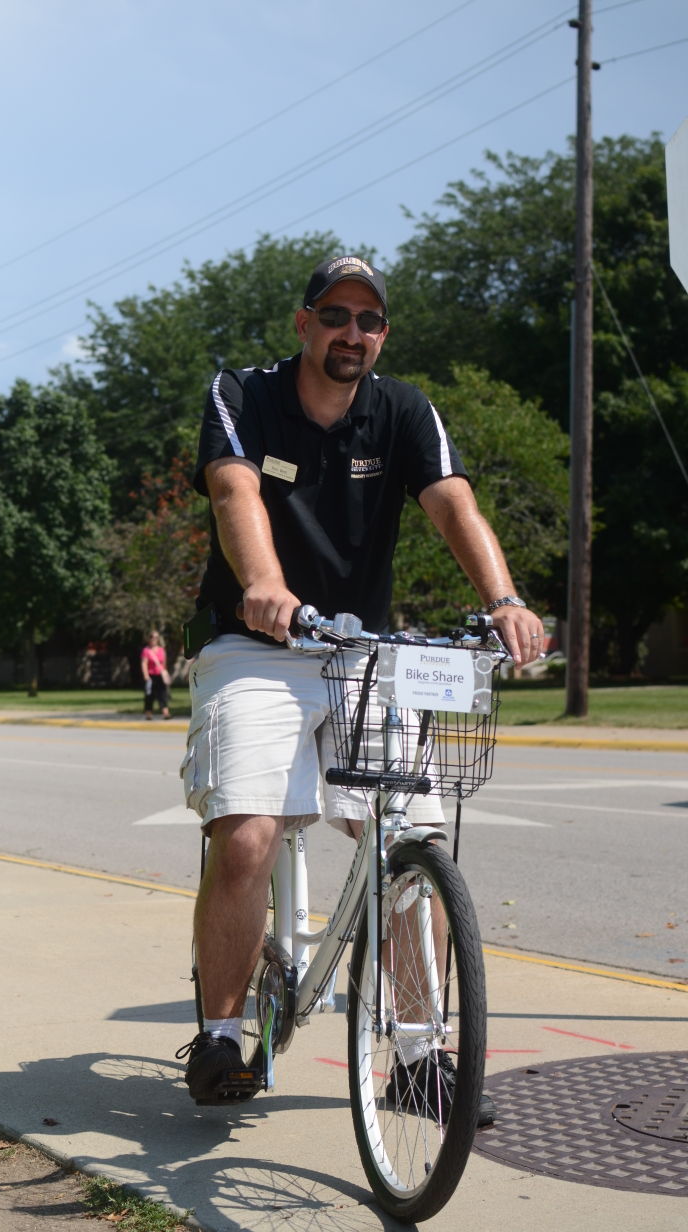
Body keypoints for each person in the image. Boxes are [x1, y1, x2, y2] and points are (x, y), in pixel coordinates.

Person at [178, 255, 545, 1118]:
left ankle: (419, 1062)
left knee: (416, 844)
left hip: (359, 651)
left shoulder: (403, 410)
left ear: (383, 335)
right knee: (246, 833)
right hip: (256, 644)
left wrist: (504, 599)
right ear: (304, 323)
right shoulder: (244, 395)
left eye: (370, 320)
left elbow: (454, 503)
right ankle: (223, 1038)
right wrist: (265, 585)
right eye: (337, 315)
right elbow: (236, 494)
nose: (353, 333)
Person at [141, 630, 171, 720]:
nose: (154, 639)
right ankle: (148, 714)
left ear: (158, 639)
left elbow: (164, 664)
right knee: (150, 695)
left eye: (156, 637)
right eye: (152, 637)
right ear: (149, 638)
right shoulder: (146, 651)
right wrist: (146, 676)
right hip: (151, 676)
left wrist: (165, 674)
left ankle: (166, 713)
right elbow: (144, 663)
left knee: (163, 695)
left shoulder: (161, 650)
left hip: (160, 676)